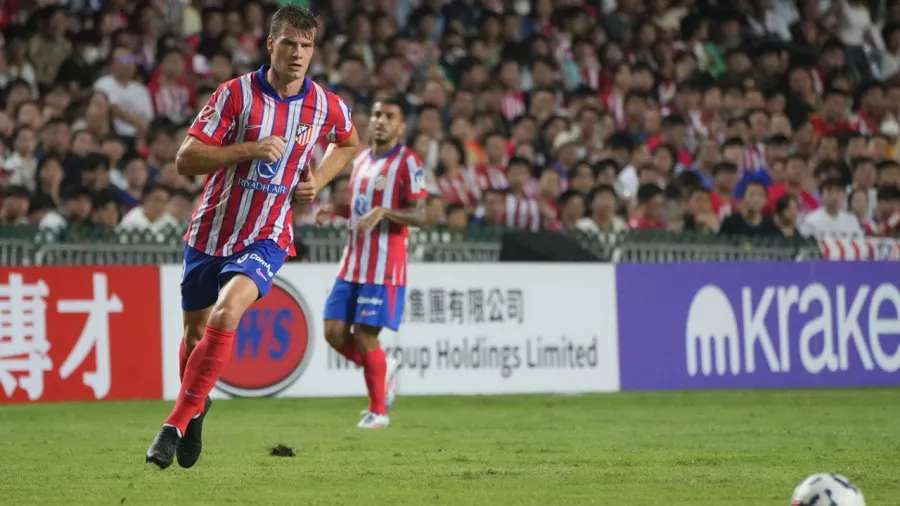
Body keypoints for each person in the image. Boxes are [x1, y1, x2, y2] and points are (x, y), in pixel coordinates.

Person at [145, 5, 359, 469]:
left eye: (307, 46)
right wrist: (250, 149)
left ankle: (174, 422)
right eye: (289, 44)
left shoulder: (324, 105)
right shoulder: (234, 95)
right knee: (194, 333)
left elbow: (348, 142)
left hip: (267, 234)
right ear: (271, 44)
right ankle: (198, 411)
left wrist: (318, 182)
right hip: (210, 230)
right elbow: (186, 159)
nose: (298, 54)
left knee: (227, 312)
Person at [321, 97, 426, 429]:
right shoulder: (362, 159)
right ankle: (385, 368)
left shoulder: (409, 163)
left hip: (384, 266)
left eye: (389, 116)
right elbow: (360, 209)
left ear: (401, 126)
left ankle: (378, 412)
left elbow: (421, 214)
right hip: (352, 263)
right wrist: (336, 212)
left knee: (365, 336)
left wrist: (384, 212)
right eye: (377, 114)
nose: (380, 120)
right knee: (334, 332)